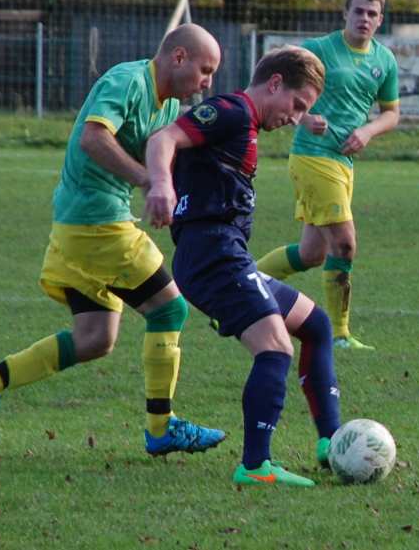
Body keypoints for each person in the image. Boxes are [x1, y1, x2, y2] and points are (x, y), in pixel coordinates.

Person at [0, 23, 226, 457]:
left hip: (81, 226)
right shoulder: (128, 81)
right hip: (96, 223)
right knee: (169, 309)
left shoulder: (167, 102)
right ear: (179, 58)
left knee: (95, 338)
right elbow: (93, 137)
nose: (209, 81)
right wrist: (145, 180)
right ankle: (161, 428)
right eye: (206, 69)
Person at [145, 46, 341, 487]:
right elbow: (163, 138)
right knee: (275, 349)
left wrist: (307, 117)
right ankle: (255, 466)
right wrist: (160, 183)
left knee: (316, 324)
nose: (294, 117)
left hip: (224, 252)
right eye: (295, 105)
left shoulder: (244, 120)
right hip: (212, 254)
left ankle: (333, 442)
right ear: (274, 84)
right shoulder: (231, 111)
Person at [256, 0, 400, 351]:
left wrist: (367, 132)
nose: (364, 19)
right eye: (358, 11)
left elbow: (391, 114)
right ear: (345, 14)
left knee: (312, 254)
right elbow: (272, 79)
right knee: (345, 243)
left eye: (372, 14)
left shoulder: (384, 61)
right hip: (312, 157)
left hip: (343, 162)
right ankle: (339, 334)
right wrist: (303, 117)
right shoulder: (318, 50)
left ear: (380, 20)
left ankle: (243, 285)